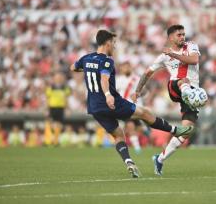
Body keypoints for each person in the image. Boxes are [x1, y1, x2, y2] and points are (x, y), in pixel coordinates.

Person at [70, 29, 193, 178]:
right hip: (112, 102)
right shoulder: (107, 61)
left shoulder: (86, 58)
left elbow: (73, 67)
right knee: (144, 113)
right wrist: (108, 95)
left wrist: (89, 69)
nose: (114, 46)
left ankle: (129, 161)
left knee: (119, 135)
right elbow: (103, 79)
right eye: (113, 43)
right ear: (108, 42)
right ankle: (175, 130)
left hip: (94, 107)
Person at [132, 24, 201, 175]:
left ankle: (160, 159)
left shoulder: (191, 46)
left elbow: (194, 60)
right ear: (170, 37)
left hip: (190, 94)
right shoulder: (163, 57)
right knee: (183, 81)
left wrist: (173, 54)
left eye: (183, 34)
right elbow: (147, 73)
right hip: (175, 87)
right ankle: (189, 92)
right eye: (179, 35)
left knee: (186, 132)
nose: (182, 37)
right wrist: (137, 91)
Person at [116, 61, 145, 154]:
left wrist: (138, 94)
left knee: (139, 129)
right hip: (125, 107)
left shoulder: (137, 79)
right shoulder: (118, 80)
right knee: (130, 125)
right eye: (124, 67)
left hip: (137, 107)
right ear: (121, 69)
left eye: (128, 66)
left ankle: (123, 140)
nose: (126, 68)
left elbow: (145, 92)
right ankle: (137, 148)